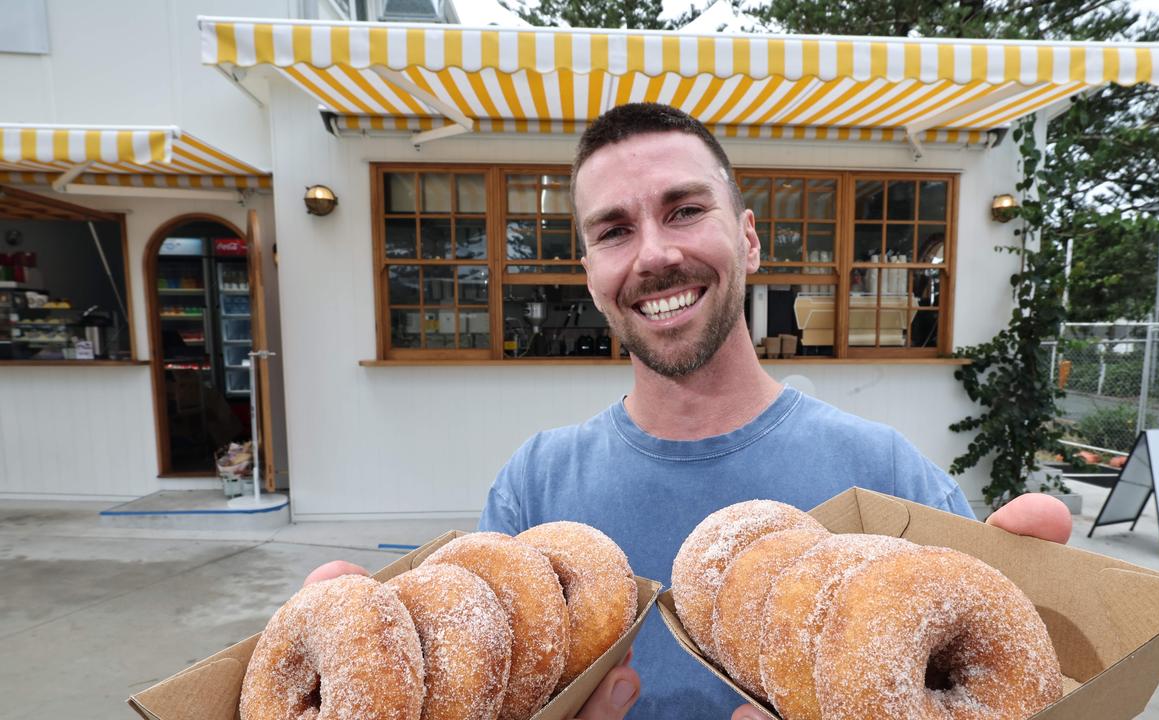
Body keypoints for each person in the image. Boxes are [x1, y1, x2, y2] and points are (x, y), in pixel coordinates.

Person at [306, 103, 1072, 720]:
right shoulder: (535, 488)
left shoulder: (887, 474)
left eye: (683, 211)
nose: (653, 255)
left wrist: (1074, 649)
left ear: (748, 238)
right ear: (591, 273)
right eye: (614, 230)